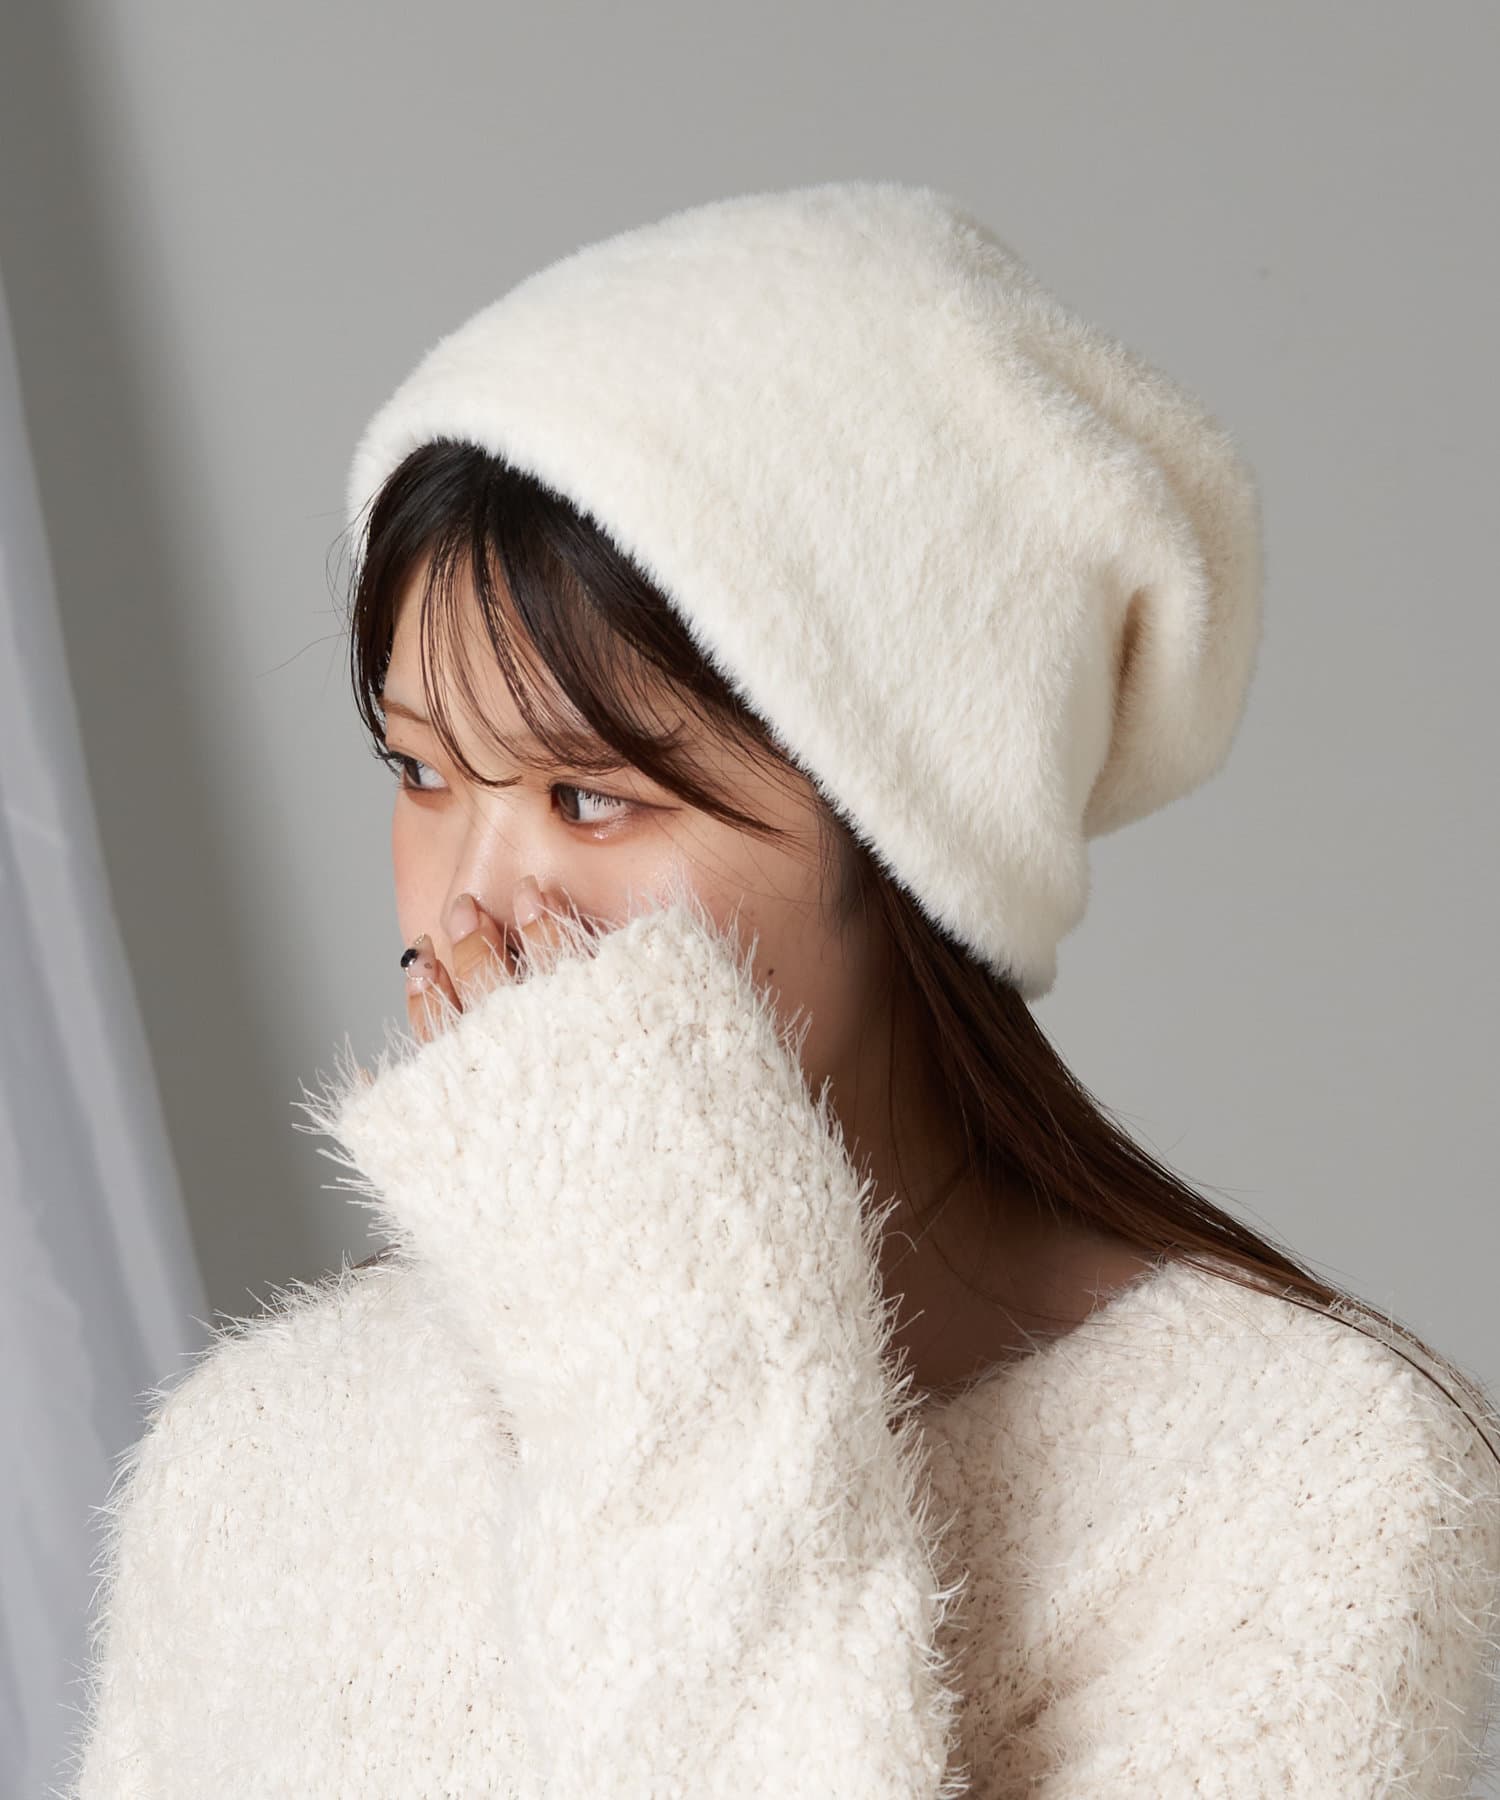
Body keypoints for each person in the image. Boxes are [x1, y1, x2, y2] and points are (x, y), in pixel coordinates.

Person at [60, 180, 1500, 1798]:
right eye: (420, 771)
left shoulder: (1304, 1479)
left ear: (902, 847)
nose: (471, 897)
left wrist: (663, 1325)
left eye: (590, 796)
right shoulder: (261, 1457)